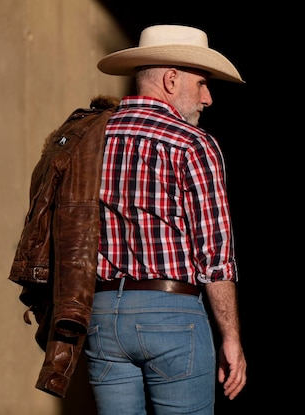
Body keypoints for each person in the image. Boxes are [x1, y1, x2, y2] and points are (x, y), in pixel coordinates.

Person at [86, 24, 247, 414]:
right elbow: (215, 254)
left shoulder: (89, 137)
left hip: (101, 314)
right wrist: (231, 338)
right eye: (202, 83)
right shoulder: (193, 143)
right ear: (171, 79)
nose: (208, 98)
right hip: (172, 315)